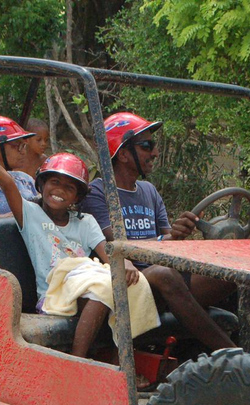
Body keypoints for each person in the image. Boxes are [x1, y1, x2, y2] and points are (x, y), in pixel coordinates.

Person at [0, 109, 140, 358]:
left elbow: (107, 255)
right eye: (54, 183)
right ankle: (77, 360)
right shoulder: (31, 214)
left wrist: (126, 262)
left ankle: (124, 360)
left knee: (125, 286)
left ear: (77, 197)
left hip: (84, 287)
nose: (59, 191)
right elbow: (7, 182)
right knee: (101, 292)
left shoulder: (85, 222)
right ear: (42, 185)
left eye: (69, 187)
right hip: (54, 294)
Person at [81, 112, 237, 351]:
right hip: (132, 281)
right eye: (147, 146)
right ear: (123, 154)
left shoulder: (149, 191)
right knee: (164, 273)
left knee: (240, 265)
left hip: (168, 281)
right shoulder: (98, 192)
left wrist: (179, 233)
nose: (154, 153)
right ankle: (231, 354)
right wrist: (167, 238)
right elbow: (118, 246)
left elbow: (168, 240)